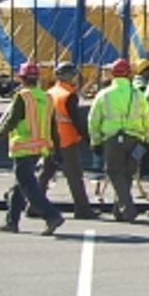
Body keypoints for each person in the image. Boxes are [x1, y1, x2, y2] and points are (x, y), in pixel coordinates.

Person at [0, 63, 65, 235]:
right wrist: (58, 150)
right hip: (40, 147)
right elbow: (53, 127)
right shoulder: (47, 97)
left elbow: (10, 122)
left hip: (23, 148)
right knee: (20, 185)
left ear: (20, 78)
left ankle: (52, 215)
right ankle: (12, 221)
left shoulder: (22, 97)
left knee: (29, 187)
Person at [88, 58, 149, 222]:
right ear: (129, 74)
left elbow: (93, 120)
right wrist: (147, 138)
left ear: (112, 74)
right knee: (127, 173)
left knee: (114, 172)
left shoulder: (104, 95)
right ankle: (119, 210)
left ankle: (127, 207)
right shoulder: (138, 95)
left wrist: (95, 141)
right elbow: (148, 118)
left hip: (112, 139)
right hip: (136, 139)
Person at [39, 62, 99, 219]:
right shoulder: (69, 95)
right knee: (74, 176)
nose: (76, 79)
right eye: (74, 75)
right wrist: (89, 140)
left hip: (50, 140)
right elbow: (76, 121)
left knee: (45, 173)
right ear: (68, 77)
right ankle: (82, 209)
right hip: (66, 140)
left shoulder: (50, 92)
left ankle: (34, 205)